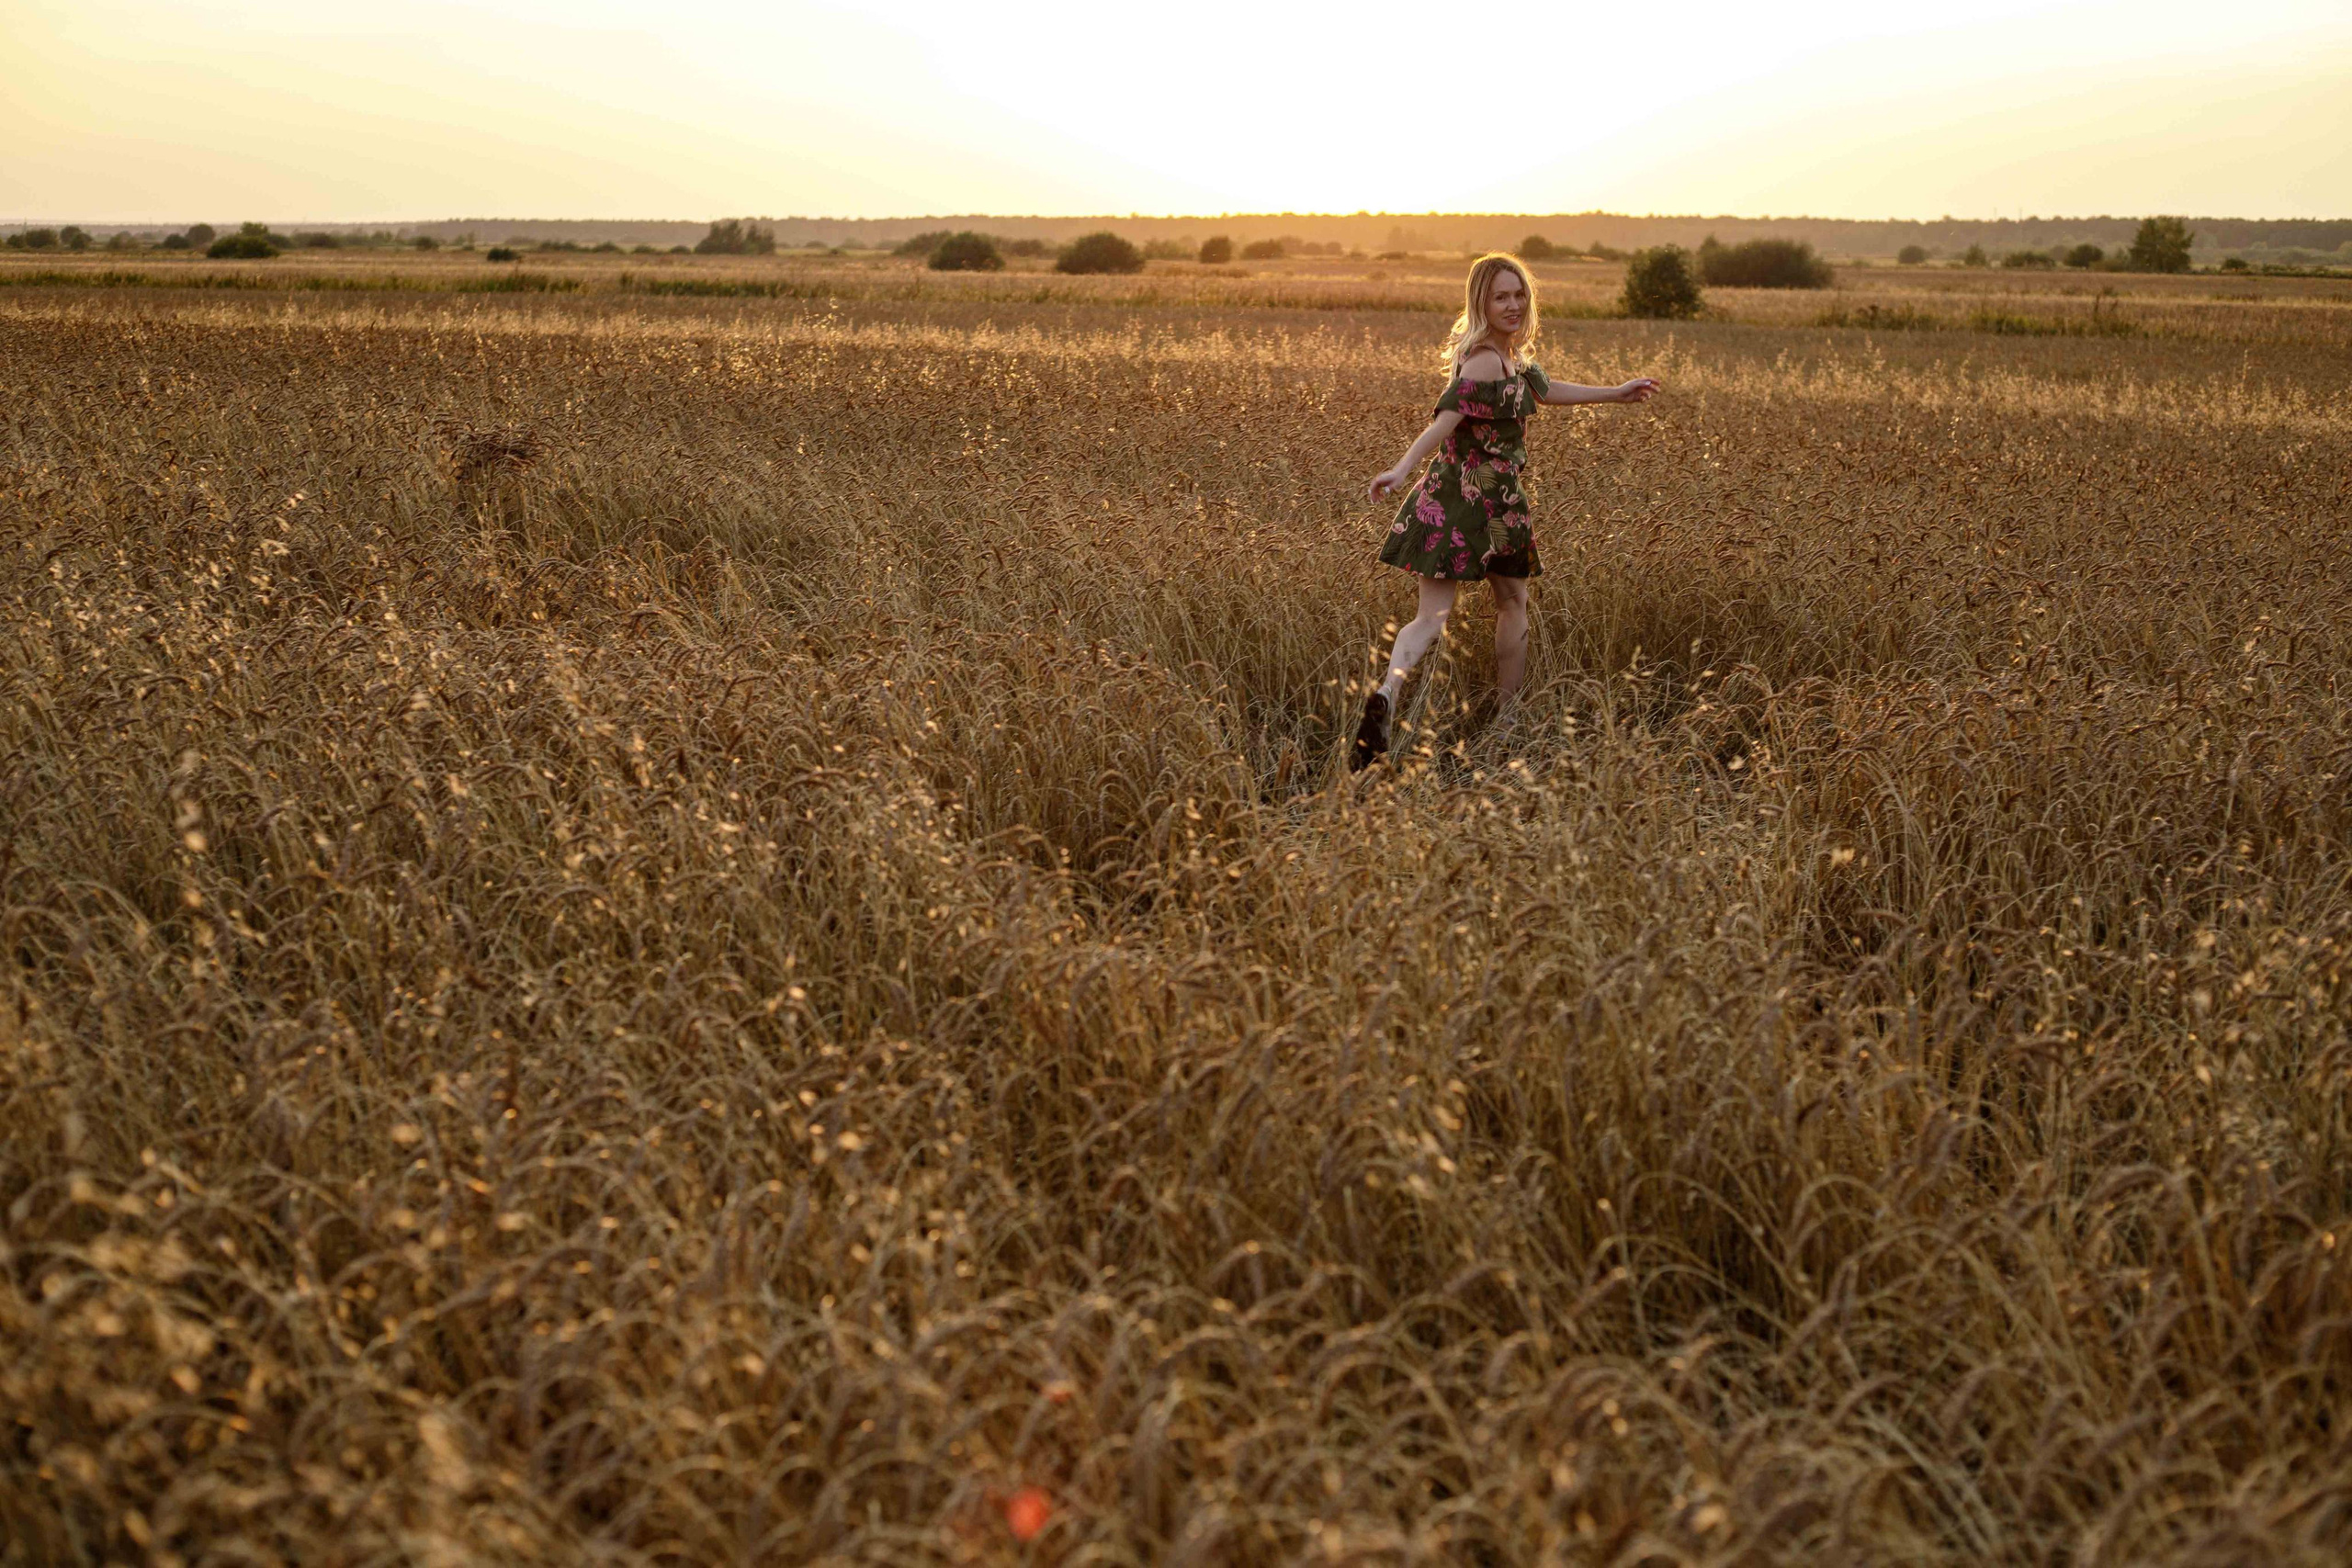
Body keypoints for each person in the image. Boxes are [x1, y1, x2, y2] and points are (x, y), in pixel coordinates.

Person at [1352, 254, 1659, 771]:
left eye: (1519, 295)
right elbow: (1446, 417)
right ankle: (1509, 720)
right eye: (1501, 296)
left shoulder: (1509, 356)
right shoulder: (1484, 359)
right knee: (1512, 603)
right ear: (1481, 302)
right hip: (1488, 502)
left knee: (1431, 618)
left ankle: (1388, 692)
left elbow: (1544, 389)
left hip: (1450, 499)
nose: (1513, 304)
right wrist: (1401, 467)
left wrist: (1614, 393)